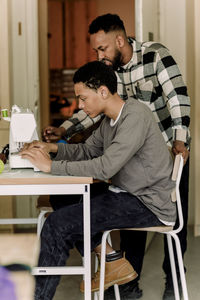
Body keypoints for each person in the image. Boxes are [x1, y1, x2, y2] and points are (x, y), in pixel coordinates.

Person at [43, 14, 190, 300]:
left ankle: (174, 281)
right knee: (131, 230)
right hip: (130, 164)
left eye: (102, 49)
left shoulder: (155, 56)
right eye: (96, 50)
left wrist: (180, 141)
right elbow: (93, 107)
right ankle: (126, 285)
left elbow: (178, 98)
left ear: (119, 40)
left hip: (167, 155)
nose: (99, 55)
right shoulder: (109, 75)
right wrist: (63, 130)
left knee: (172, 223)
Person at [21, 61, 176, 300]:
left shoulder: (135, 116)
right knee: (62, 196)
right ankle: (110, 258)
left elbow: (106, 167)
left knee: (57, 225)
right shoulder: (109, 120)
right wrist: (51, 148)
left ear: (103, 91)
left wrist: (50, 166)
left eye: (83, 98)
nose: (80, 106)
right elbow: (87, 151)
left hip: (147, 203)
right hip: (126, 192)